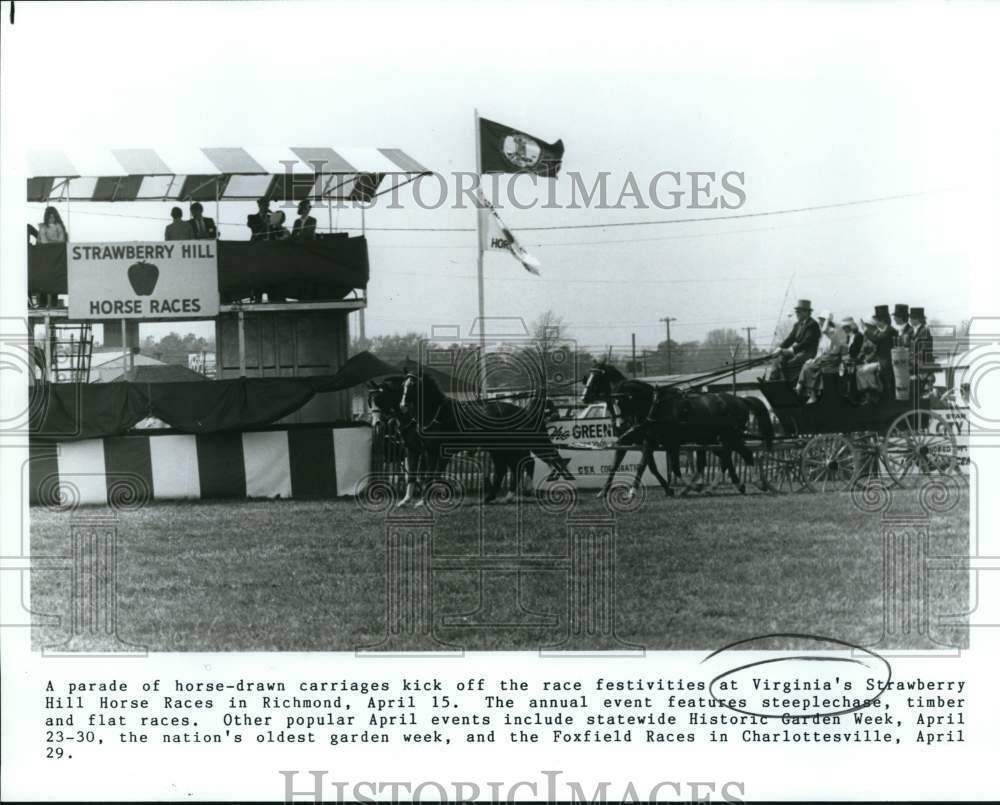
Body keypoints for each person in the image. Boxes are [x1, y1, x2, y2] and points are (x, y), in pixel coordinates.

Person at [796, 312, 847, 403]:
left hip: (832, 358)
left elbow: (824, 330)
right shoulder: (824, 335)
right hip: (824, 358)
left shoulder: (832, 331)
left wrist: (828, 318)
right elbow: (820, 350)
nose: (819, 322)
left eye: (821, 320)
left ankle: (811, 393)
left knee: (809, 367)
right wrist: (814, 358)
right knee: (807, 364)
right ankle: (805, 389)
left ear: (826, 321)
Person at [766, 299, 820, 382]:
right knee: (778, 359)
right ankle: (774, 381)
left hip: (808, 353)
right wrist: (779, 348)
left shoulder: (812, 325)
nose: (797, 314)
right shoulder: (797, 324)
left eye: (799, 312)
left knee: (790, 363)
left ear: (806, 312)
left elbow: (807, 342)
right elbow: (790, 338)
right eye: (796, 312)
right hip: (798, 351)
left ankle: (789, 383)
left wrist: (792, 350)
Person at [856, 305, 898, 405]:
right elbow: (877, 348)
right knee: (860, 371)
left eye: (876, 319)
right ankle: (870, 393)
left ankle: (874, 393)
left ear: (882, 320)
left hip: (887, 363)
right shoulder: (882, 331)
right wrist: (867, 360)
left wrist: (865, 330)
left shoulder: (890, 331)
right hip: (881, 361)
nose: (875, 322)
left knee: (863, 371)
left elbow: (877, 340)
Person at [909, 306, 935, 394]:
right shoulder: (914, 331)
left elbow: (924, 349)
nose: (910, 320)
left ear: (917, 319)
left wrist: (913, 357)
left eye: (911, 318)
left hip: (923, 364)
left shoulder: (924, 330)